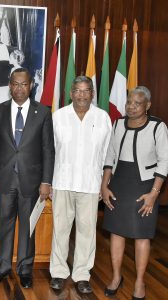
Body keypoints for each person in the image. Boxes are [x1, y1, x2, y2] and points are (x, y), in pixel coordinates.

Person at [101, 86, 168, 300]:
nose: (131, 106)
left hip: (145, 186)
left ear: (148, 105)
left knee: (142, 234)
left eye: (137, 103)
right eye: (129, 102)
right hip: (120, 183)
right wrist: (104, 186)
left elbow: (165, 161)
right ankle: (116, 277)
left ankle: (139, 282)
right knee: (116, 231)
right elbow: (110, 156)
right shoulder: (118, 123)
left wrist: (153, 194)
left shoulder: (158, 126)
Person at [0, 68, 54, 288]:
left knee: (28, 226)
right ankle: (3, 267)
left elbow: (48, 149)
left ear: (31, 85)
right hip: (6, 180)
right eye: (15, 84)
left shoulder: (43, 112)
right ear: (9, 86)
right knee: (4, 224)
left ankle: (25, 269)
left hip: (32, 182)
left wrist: (46, 181)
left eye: (23, 84)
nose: (19, 88)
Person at [49, 76, 112, 294]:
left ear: (92, 93)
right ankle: (58, 273)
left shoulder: (103, 118)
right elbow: (50, 152)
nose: (81, 95)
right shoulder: (58, 117)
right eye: (77, 90)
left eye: (86, 91)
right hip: (62, 182)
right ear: (70, 93)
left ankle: (82, 275)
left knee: (87, 232)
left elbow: (107, 156)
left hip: (90, 185)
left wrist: (105, 184)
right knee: (60, 230)